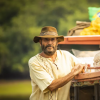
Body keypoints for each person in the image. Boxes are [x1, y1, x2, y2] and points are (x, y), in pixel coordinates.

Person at [28, 26, 84, 100]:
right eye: (46, 40)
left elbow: (82, 66)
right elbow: (51, 86)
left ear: (57, 42)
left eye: (52, 39)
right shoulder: (34, 62)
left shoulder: (66, 55)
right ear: (40, 42)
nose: (50, 43)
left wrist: (82, 68)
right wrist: (72, 73)